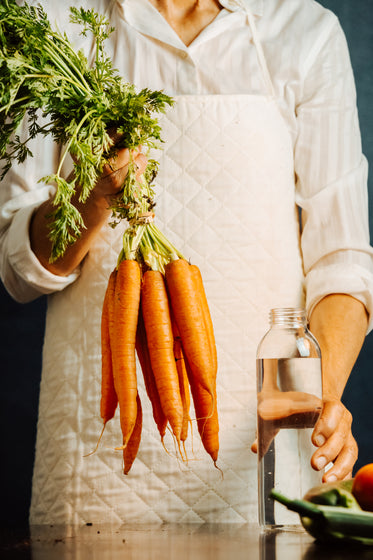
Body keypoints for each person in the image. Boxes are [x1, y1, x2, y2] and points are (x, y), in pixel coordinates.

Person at [1, 0, 372, 525]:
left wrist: (321, 397)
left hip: (264, 441)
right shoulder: (53, 23)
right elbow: (18, 272)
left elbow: (342, 264)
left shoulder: (304, 31)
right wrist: (98, 195)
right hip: (94, 457)